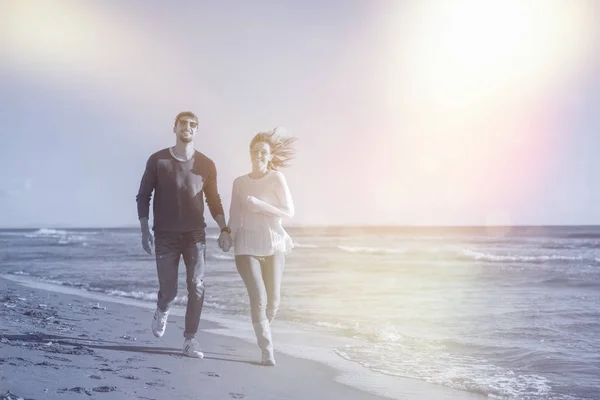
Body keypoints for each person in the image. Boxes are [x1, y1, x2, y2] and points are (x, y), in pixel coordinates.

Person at [136, 111, 232, 358]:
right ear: (175, 128)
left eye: (192, 124)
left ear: (197, 130)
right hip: (165, 235)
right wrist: (145, 230)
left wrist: (224, 229)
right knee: (169, 291)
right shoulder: (158, 160)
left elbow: (214, 200)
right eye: (183, 124)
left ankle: (190, 340)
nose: (187, 127)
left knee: (197, 285)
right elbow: (143, 195)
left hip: (194, 235)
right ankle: (162, 309)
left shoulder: (206, 165)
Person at [227, 127, 296, 366]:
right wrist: (228, 235)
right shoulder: (239, 183)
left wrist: (259, 205)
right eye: (255, 151)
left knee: (273, 303)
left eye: (263, 152)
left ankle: (262, 329)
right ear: (250, 153)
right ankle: (267, 350)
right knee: (258, 299)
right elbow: (234, 216)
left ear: (270, 155)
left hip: (274, 244)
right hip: (246, 246)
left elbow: (289, 212)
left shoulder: (277, 178)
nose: (259, 155)